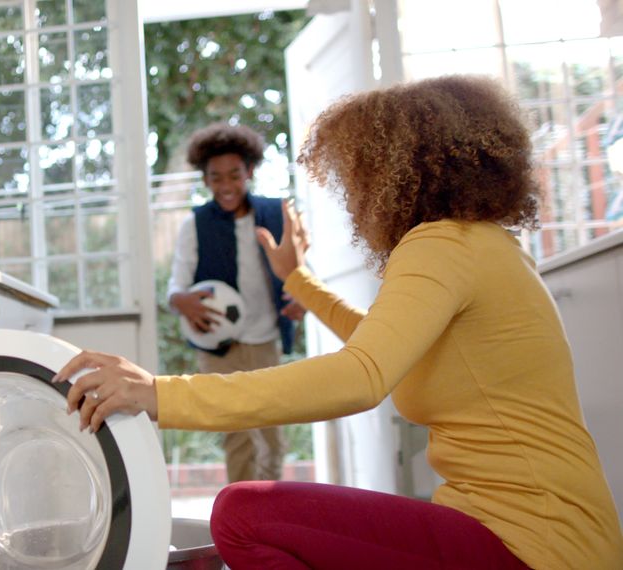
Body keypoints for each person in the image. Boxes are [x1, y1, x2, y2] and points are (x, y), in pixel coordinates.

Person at [54, 75, 623, 568]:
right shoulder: (477, 242)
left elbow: (362, 375)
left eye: (357, 172)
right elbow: (379, 340)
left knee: (241, 513)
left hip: (535, 544)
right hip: (516, 528)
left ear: (399, 169)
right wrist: (297, 280)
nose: (352, 194)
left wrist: (159, 393)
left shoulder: (442, 244)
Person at [166, 123, 305, 483]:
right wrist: (183, 302)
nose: (226, 186)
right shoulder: (194, 225)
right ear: (205, 179)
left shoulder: (277, 214)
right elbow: (176, 287)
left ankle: (270, 510)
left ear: (250, 172)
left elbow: (300, 274)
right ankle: (243, 514)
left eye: (234, 175)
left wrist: (300, 301)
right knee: (236, 437)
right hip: (218, 347)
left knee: (272, 437)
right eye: (216, 178)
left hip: (264, 341)